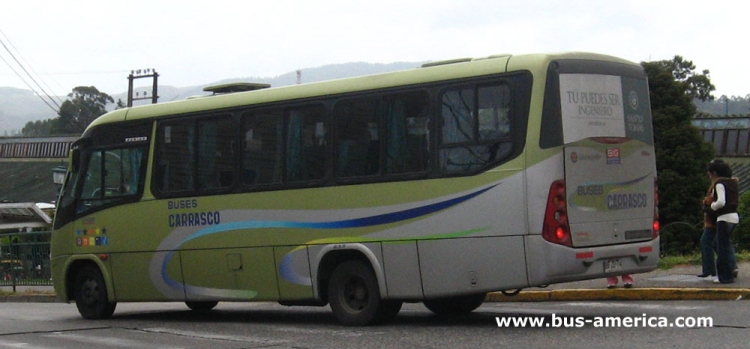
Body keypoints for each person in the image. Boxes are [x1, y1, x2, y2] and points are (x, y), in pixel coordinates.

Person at [698, 160, 739, 281]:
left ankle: (723, 276)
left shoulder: (719, 183)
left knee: (720, 247)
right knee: (721, 244)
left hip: (722, 217)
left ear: (714, 173)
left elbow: (721, 201)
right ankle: (728, 271)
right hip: (733, 216)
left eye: (709, 173)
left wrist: (712, 206)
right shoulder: (732, 183)